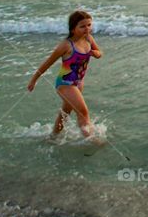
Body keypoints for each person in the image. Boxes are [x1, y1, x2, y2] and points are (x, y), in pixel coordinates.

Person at [27, 10, 103, 138]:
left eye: (89, 25)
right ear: (73, 29)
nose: (87, 29)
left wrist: (96, 54)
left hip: (79, 83)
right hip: (65, 84)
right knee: (83, 111)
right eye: (82, 26)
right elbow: (47, 63)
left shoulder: (89, 39)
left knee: (65, 113)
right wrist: (34, 80)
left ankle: (53, 136)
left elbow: (99, 52)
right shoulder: (66, 45)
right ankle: (90, 139)